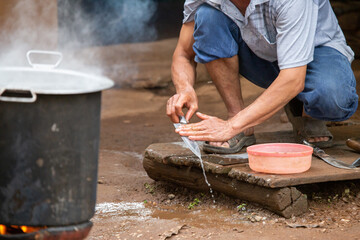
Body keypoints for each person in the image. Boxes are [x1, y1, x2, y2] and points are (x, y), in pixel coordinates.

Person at [166, 0, 358, 154]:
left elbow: (293, 78)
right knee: (208, 15)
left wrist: (229, 127)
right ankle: (239, 120)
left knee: (333, 99)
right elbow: (183, 53)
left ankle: (307, 112)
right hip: (263, 56)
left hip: (318, 53)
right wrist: (184, 88)